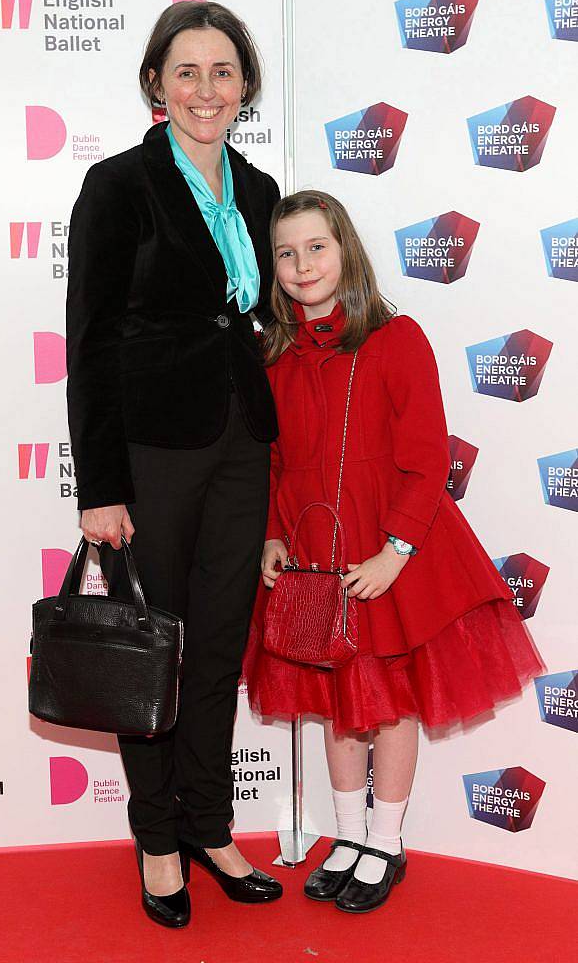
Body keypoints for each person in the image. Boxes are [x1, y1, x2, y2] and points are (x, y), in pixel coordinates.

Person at [244, 190, 543, 914]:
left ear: (344, 249)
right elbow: (276, 463)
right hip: (314, 552)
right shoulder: (274, 356)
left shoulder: (395, 337)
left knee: (388, 705)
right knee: (330, 698)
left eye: (316, 247)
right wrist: (273, 534)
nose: (301, 264)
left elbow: (426, 457)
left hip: (388, 553)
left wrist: (396, 551)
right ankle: (346, 836)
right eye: (286, 253)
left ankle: (386, 841)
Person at [66, 1, 283, 928]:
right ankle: (157, 837)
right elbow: (90, 343)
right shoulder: (118, 186)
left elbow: (266, 319)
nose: (206, 89)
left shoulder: (264, 190)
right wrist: (102, 489)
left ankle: (210, 822)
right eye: (186, 71)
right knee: (152, 648)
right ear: (157, 83)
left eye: (223, 71)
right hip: (151, 451)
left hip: (243, 444)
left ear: (245, 88)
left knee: (219, 646)